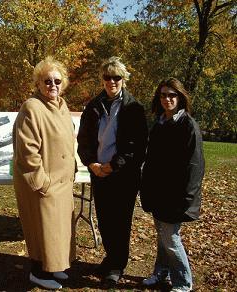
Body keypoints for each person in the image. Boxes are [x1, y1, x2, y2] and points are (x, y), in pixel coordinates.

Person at [77, 56, 148, 285]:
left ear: (123, 80)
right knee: (105, 220)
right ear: (103, 80)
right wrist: (92, 164)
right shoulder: (94, 105)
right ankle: (111, 257)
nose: (112, 82)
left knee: (120, 221)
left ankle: (117, 266)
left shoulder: (133, 108)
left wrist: (113, 165)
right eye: (107, 77)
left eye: (116, 77)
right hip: (99, 172)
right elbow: (84, 140)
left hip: (123, 176)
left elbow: (137, 146)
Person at [12, 56, 76, 290]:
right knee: (43, 229)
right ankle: (38, 272)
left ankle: (54, 266)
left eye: (57, 81)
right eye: (47, 81)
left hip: (63, 181)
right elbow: (27, 151)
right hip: (42, 183)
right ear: (38, 83)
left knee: (59, 229)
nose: (53, 85)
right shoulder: (32, 107)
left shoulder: (62, 105)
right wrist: (42, 182)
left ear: (64, 83)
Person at [140, 77, 205, 292]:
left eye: (172, 95)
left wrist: (186, 198)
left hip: (176, 196)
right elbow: (152, 161)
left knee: (170, 238)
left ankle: (183, 283)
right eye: (163, 95)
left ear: (180, 97)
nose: (167, 99)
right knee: (163, 236)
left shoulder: (188, 126)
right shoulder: (160, 124)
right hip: (159, 193)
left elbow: (195, 166)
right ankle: (161, 273)